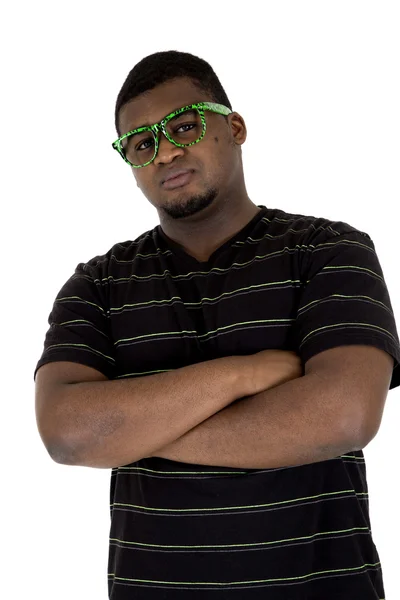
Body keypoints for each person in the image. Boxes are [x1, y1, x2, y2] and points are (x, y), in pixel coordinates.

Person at [34, 50, 400, 599]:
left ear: (234, 127)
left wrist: (130, 430)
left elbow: (343, 415)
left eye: (184, 126)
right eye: (142, 143)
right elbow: (67, 434)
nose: (165, 152)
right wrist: (240, 375)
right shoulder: (98, 284)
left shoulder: (329, 251)